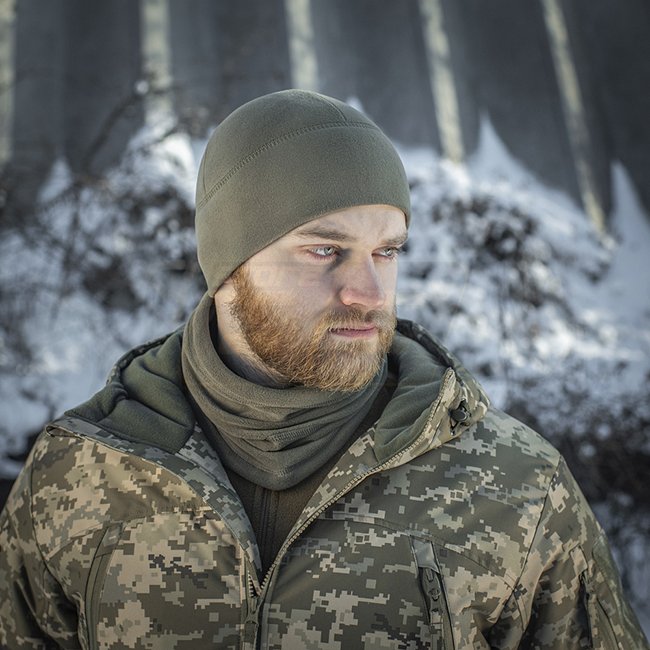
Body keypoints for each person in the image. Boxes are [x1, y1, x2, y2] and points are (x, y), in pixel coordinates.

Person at [0, 89, 647, 650]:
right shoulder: (77, 475)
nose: (370, 293)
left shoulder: (517, 488)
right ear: (228, 265)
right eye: (325, 250)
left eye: (386, 251)